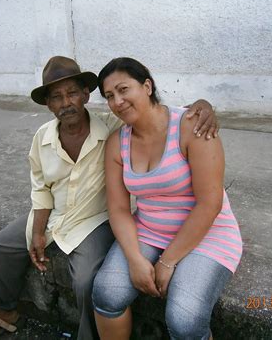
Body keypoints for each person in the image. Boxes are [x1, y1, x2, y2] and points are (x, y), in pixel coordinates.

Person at [0, 56, 218, 340]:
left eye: (72, 93)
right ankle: (4, 312)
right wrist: (38, 230)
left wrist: (204, 106)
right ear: (48, 104)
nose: (66, 103)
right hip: (56, 214)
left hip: (94, 219)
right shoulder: (42, 138)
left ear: (86, 95)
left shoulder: (113, 126)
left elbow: (156, 114)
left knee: (88, 280)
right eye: (56, 97)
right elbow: (40, 187)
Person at [92, 57, 243, 340]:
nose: (117, 101)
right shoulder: (117, 142)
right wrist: (135, 259)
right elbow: (119, 209)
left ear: (147, 86)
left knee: (185, 320)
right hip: (149, 230)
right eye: (109, 96)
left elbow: (210, 204)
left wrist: (167, 261)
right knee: (106, 293)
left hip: (208, 234)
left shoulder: (191, 126)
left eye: (124, 89)